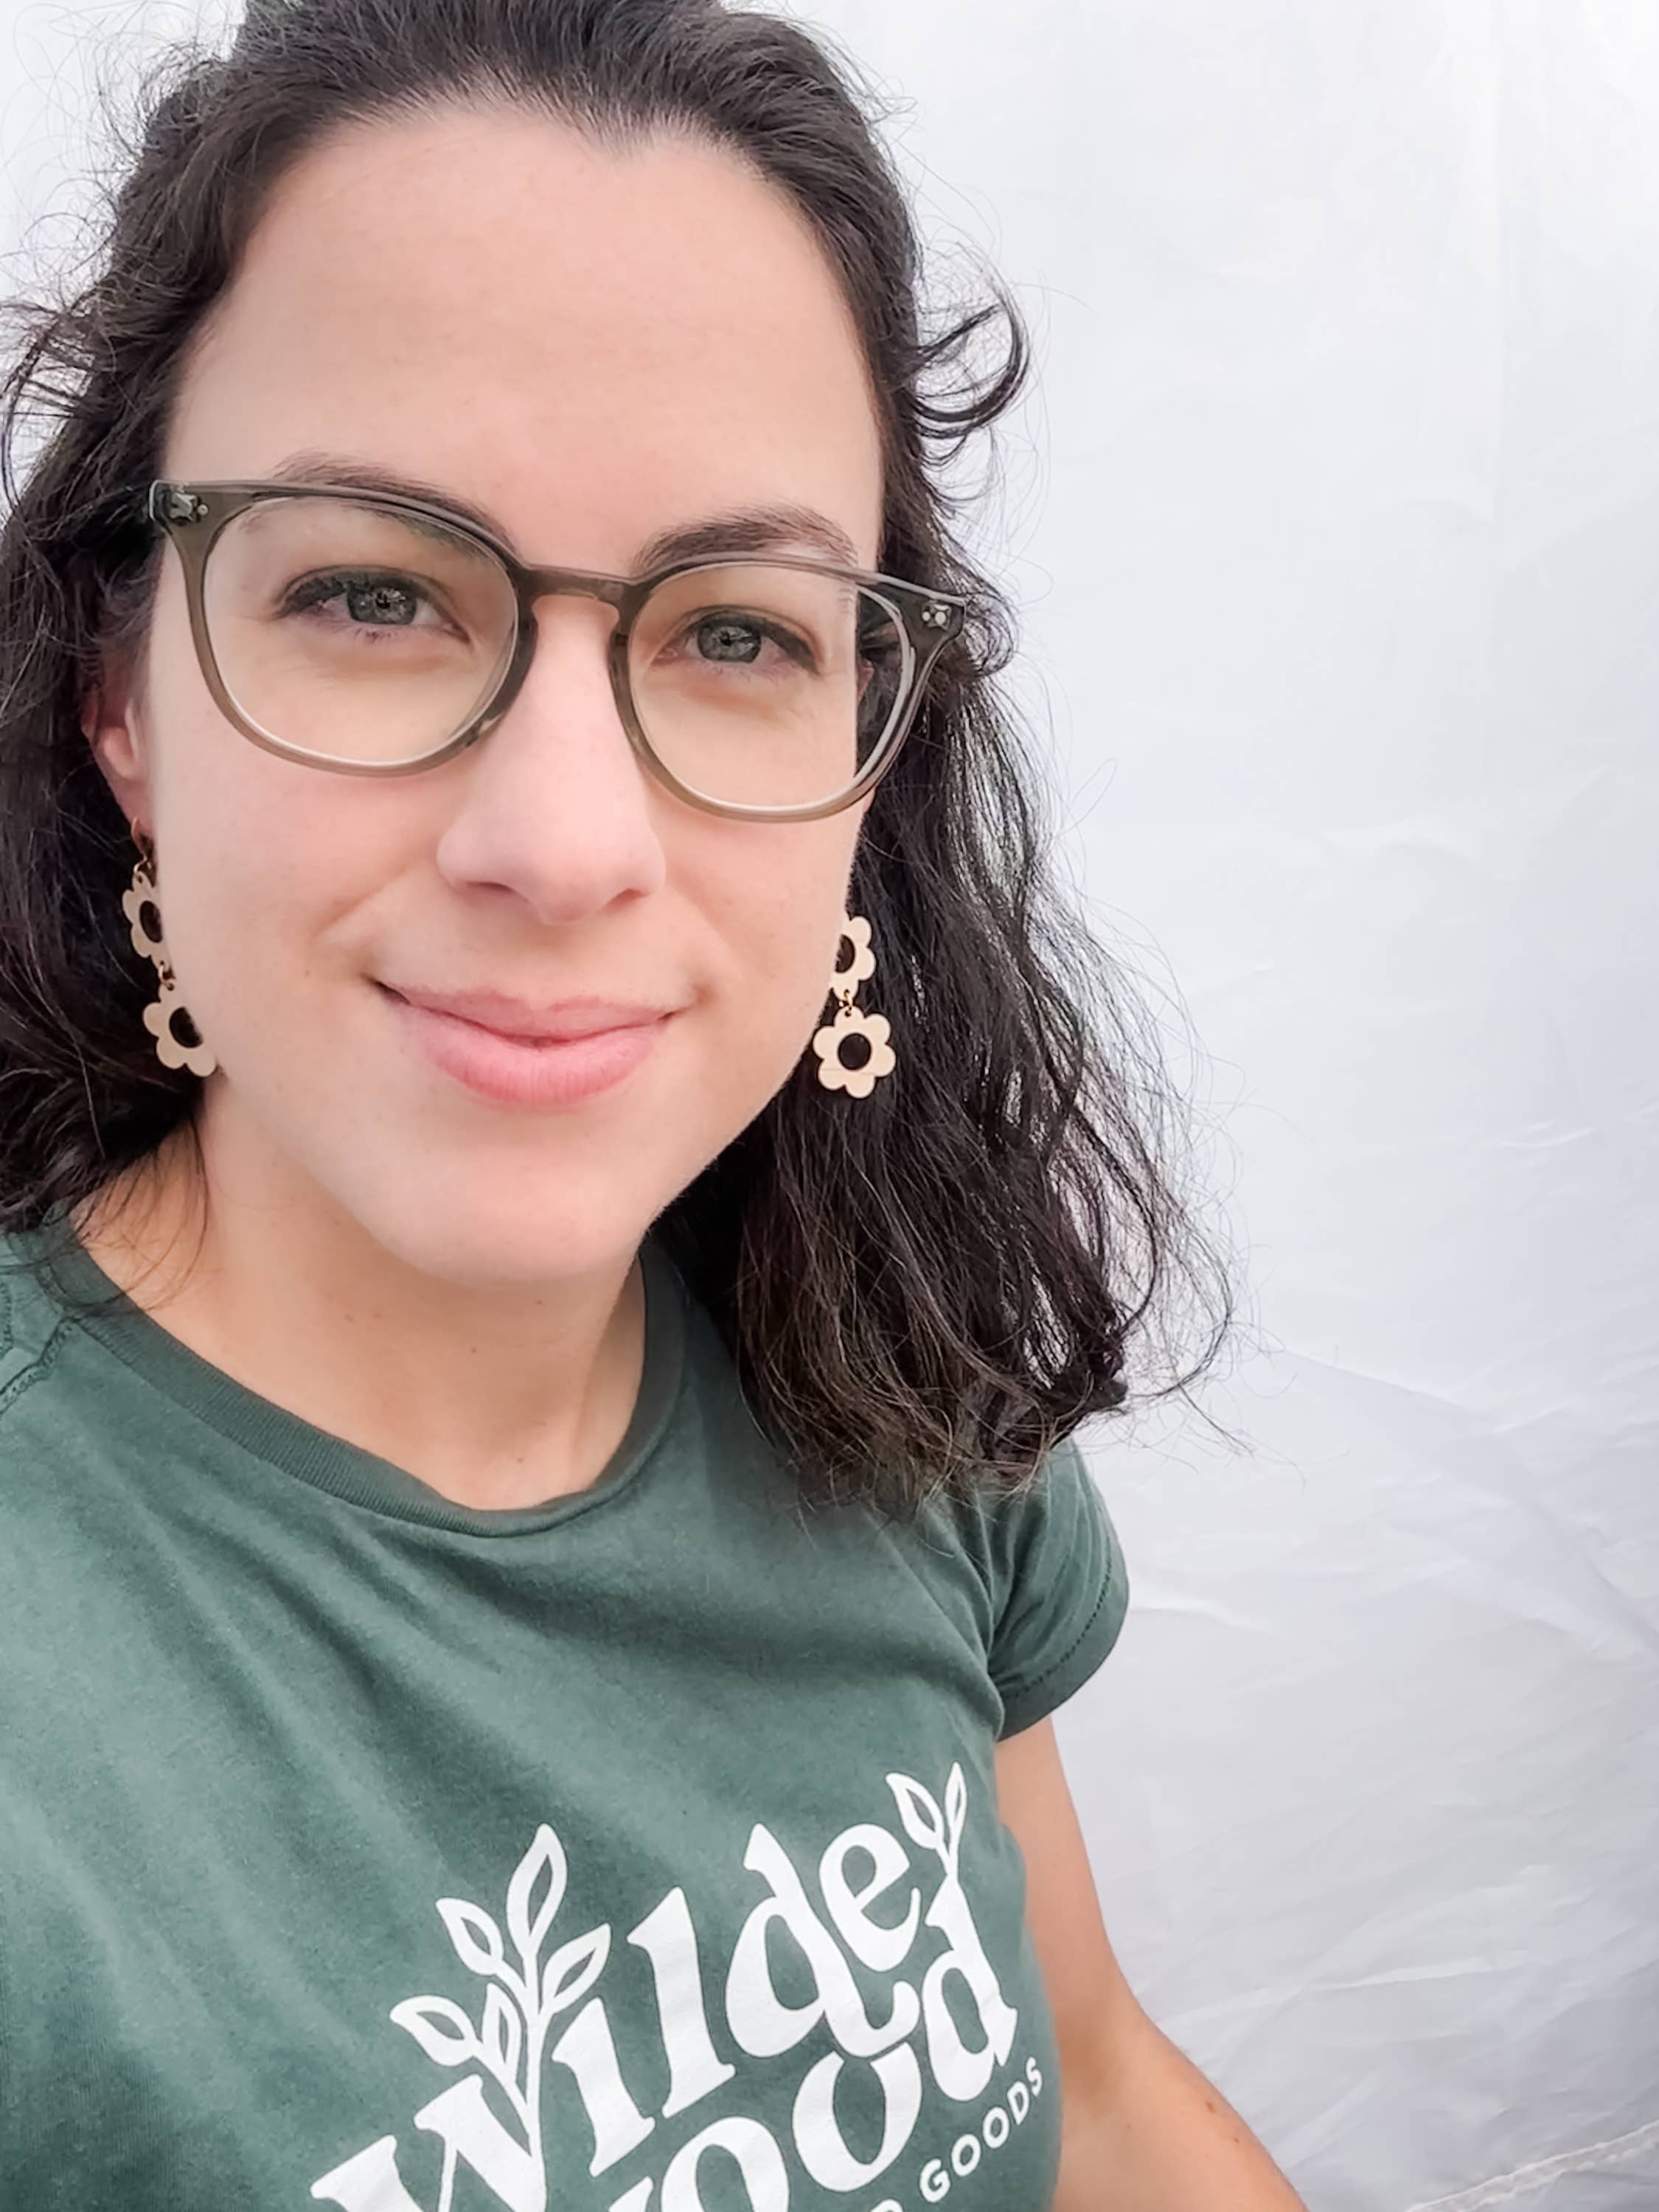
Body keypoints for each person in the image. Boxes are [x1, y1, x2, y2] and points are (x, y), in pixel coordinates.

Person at [0, 0, 1305, 2205]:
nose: (564, 840)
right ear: (119, 696)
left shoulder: (888, 1355)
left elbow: (1091, 2089)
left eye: (736, 632)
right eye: (374, 593)